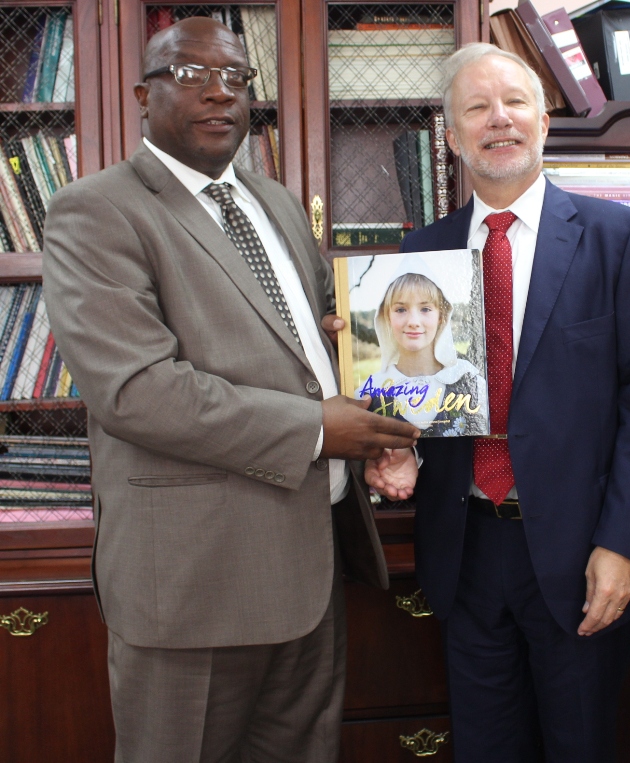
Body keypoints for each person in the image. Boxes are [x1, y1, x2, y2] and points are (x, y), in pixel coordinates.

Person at [41, 17, 418, 763]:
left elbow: (314, 346)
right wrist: (320, 430)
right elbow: (139, 390)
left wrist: (372, 419)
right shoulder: (97, 210)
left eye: (236, 78)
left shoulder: (274, 201)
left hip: (310, 568)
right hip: (194, 586)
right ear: (144, 95)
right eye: (191, 75)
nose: (219, 93)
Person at [365, 43, 630, 762]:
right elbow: (419, 396)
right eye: (477, 108)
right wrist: (398, 449)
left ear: (543, 122)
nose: (498, 119)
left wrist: (623, 544)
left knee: (578, 744)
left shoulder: (620, 238)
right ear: (453, 138)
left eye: (514, 103)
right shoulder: (421, 253)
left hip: (583, 552)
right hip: (465, 549)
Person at [363, 254, 488, 436]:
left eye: (425, 309)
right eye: (401, 309)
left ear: (441, 316)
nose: (413, 322)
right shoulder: (369, 391)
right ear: (387, 316)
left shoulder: (471, 384)